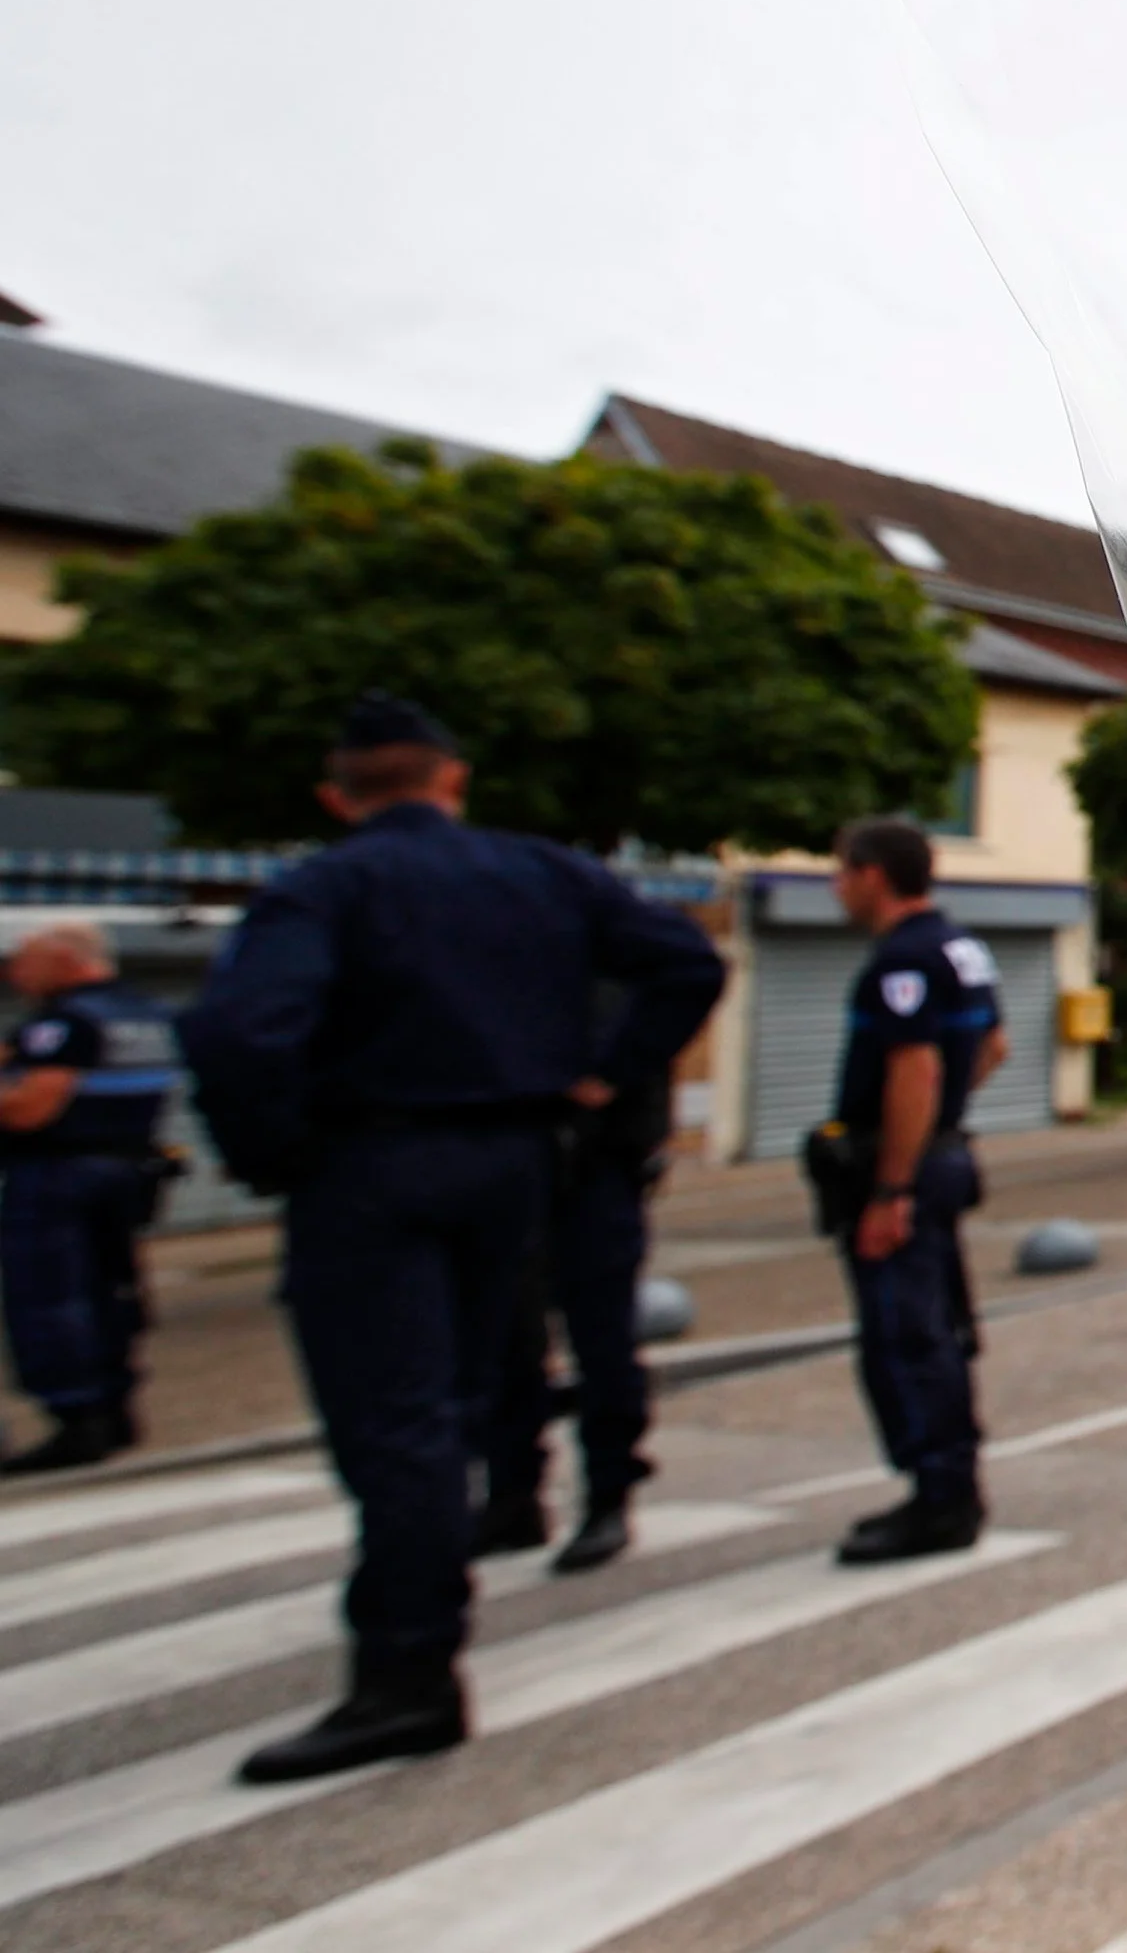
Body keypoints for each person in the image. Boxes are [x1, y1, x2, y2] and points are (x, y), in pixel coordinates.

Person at [179, 694, 723, 1785]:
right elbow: (688, 963)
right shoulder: (541, 873)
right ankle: (459, 1568)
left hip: (376, 1167)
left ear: (338, 794)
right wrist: (605, 1071)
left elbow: (237, 1032)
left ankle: (407, 1675)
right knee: (460, 1395)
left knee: (398, 1422)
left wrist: (276, 1155)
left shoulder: (326, 886)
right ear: (452, 779)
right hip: (516, 1164)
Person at [819, 815, 1005, 1566]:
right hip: (940, 1159)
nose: (836, 888)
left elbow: (914, 1071)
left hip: (901, 1174)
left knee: (907, 1336)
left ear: (872, 874)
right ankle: (945, 1486)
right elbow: (993, 1046)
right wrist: (946, 1124)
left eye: (840, 872)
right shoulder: (960, 948)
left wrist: (893, 1184)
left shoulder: (902, 960)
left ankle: (940, 1497)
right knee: (935, 1330)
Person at [476, 983, 685, 1575]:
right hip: (516, 1179)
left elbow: (655, 1029)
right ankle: (512, 1495)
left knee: (603, 1347)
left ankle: (607, 1499)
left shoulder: (607, 967)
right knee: (506, 1343)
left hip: (595, 1175)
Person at [0, 922, 178, 1474]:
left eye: (24, 960)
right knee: (112, 1291)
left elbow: (31, 1109)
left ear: (65, 959)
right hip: (130, 1169)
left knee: (51, 1296)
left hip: (58, 1176)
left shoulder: (63, 1023)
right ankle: (115, 1408)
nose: (15, 973)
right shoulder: (142, 1013)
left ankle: (78, 1416)